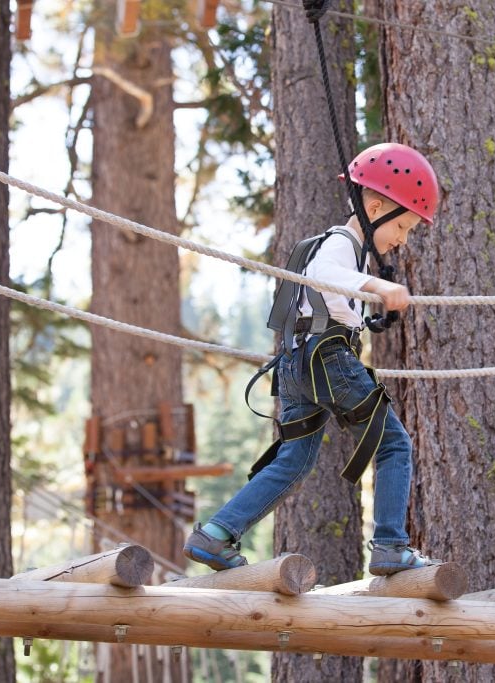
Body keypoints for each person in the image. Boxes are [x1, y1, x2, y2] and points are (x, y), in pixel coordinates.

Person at [183, 142, 440, 576]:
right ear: (375, 206)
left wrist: (371, 314)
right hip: (328, 360)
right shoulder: (341, 243)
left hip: (299, 363)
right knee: (393, 443)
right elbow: (322, 276)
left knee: (295, 460)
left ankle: (217, 534)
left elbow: (327, 299)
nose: (402, 239)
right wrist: (379, 288)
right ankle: (391, 545)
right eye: (404, 226)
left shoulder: (347, 251)